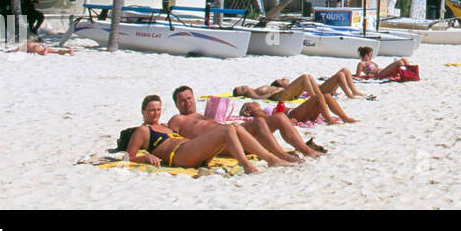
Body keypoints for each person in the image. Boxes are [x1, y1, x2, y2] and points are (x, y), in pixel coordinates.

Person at [123, 95, 295, 173]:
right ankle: (249, 165)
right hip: (179, 155)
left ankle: (271, 158)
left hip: (192, 152)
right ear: (143, 111)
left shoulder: (164, 125)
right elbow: (126, 158)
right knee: (227, 129)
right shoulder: (143, 130)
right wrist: (143, 158)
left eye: (158, 109)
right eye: (151, 110)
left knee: (234, 126)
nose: (155, 113)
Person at [168, 85, 323, 160]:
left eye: (189, 98)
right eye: (182, 100)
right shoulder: (177, 119)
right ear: (176, 104)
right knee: (258, 122)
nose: (187, 102)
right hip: (223, 143)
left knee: (280, 117)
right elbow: (170, 140)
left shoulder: (202, 115)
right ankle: (281, 156)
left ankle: (306, 150)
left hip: (237, 134)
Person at [233, 75, 357, 123]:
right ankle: (329, 119)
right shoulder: (257, 113)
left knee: (326, 96)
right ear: (248, 111)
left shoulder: (259, 109)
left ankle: (344, 117)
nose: (252, 102)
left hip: (296, 112)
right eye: (249, 104)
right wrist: (291, 120)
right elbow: (273, 120)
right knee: (319, 97)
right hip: (293, 114)